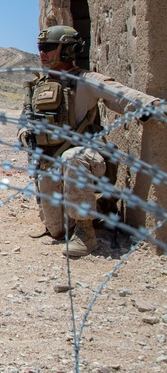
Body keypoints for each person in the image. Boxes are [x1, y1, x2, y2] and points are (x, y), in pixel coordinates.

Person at [19, 25, 163, 257]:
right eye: (40, 48)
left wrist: (150, 104)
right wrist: (26, 136)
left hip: (87, 160)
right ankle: (102, 208)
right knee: (57, 230)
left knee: (72, 157)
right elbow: (23, 122)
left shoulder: (84, 80)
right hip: (51, 163)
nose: (42, 53)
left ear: (68, 50)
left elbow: (119, 93)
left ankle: (86, 234)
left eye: (48, 48)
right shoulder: (38, 87)